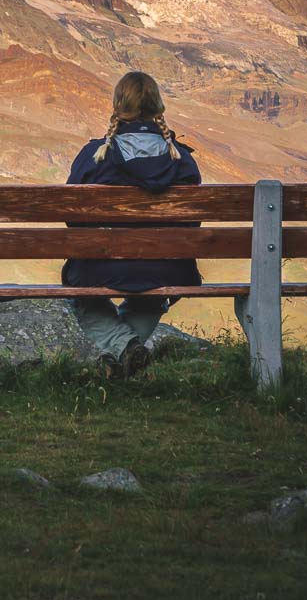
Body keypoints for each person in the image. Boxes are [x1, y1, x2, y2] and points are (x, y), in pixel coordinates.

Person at [62, 71, 202, 378]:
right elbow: (191, 225)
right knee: (151, 296)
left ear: (117, 106)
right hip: (166, 269)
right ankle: (126, 355)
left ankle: (123, 349)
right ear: (158, 108)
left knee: (84, 296)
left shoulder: (93, 157)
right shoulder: (183, 162)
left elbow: (72, 217)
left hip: (97, 266)